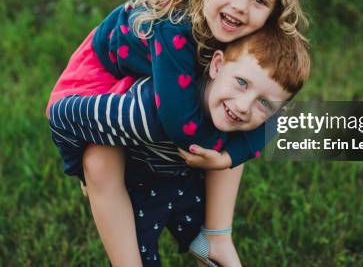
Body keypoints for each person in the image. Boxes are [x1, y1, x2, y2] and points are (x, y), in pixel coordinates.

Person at [46, 0, 309, 266]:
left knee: (239, 107)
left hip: (147, 77)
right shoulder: (176, 25)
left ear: (274, 13)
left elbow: (278, 114)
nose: (240, 6)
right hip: (95, 80)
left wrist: (229, 156)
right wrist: (228, 155)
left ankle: (217, 234)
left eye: (259, 0)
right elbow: (180, 124)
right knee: (100, 161)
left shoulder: (243, 33)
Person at [50, 27, 311, 265]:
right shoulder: (144, 111)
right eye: (241, 83)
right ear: (217, 66)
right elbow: (62, 115)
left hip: (186, 176)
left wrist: (226, 161)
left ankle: (213, 238)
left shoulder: (239, 111)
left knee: (214, 255)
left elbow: (269, 128)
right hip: (137, 180)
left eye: (264, 103)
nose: (243, 106)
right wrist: (78, 171)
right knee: (136, 254)